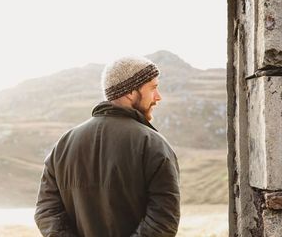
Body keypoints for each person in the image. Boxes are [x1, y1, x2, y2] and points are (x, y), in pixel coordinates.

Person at [34, 56, 180, 237]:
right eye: (153, 88)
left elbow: (46, 212)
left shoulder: (63, 145)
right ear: (130, 92)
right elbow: (163, 220)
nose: (158, 97)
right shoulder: (153, 144)